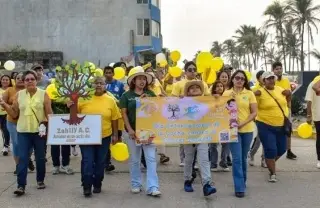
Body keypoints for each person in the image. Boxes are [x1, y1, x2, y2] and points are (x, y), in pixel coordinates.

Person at [0, 70, 52, 196]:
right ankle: (21, 185)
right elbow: (14, 113)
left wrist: (52, 130)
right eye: (27, 79)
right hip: (23, 131)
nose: (29, 81)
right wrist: (4, 104)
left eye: (32, 79)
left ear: (36, 80)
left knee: (40, 158)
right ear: (23, 82)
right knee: (22, 158)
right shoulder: (19, 95)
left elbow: (49, 114)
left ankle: (40, 180)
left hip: (39, 133)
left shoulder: (44, 94)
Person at [67, 76, 120, 197]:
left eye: (101, 83)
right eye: (96, 83)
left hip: (104, 136)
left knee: (100, 162)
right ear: (92, 85)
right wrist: (71, 106)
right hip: (87, 136)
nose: (98, 85)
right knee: (87, 161)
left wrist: (115, 134)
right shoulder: (84, 99)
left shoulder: (110, 100)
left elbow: (115, 118)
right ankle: (86, 185)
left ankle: (97, 183)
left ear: (105, 85)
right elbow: (74, 116)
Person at [120, 67, 161, 196]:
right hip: (132, 133)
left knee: (151, 159)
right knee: (135, 159)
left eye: (144, 79)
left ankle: (153, 187)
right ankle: (135, 184)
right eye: (139, 79)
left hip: (148, 132)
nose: (142, 81)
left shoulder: (151, 94)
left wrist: (146, 102)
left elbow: (157, 111)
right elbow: (124, 114)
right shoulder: (126, 96)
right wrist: (130, 129)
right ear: (134, 81)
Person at [223, 70, 257, 198]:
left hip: (247, 130)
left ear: (245, 81)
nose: (239, 80)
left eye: (242, 79)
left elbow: (254, 112)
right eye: (237, 78)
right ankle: (239, 187)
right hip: (232, 130)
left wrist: (242, 123)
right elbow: (218, 109)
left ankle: (242, 180)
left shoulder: (249, 94)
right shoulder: (226, 94)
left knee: (243, 158)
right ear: (232, 79)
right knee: (236, 159)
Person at [172, 61, 210, 167]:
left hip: (200, 118)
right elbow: (173, 99)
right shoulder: (178, 84)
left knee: (199, 140)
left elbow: (208, 98)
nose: (192, 71)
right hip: (184, 117)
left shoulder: (203, 84)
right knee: (184, 140)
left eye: (194, 69)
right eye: (190, 70)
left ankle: (197, 162)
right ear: (185, 71)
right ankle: (184, 160)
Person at [182, 80, 217, 196]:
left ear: (202, 90)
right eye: (192, 88)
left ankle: (207, 184)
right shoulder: (182, 102)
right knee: (188, 159)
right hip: (188, 135)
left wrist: (217, 99)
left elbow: (217, 108)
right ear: (187, 91)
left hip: (203, 134)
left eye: (197, 87)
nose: (195, 89)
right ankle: (187, 180)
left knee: (204, 159)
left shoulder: (207, 102)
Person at [255, 71, 289, 183]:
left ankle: (270, 162)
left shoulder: (279, 89)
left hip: (281, 125)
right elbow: (251, 103)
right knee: (271, 149)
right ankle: (272, 173)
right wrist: (255, 94)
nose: (271, 80)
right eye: (268, 79)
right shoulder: (260, 92)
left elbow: (287, 101)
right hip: (265, 125)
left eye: (272, 78)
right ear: (263, 81)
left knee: (282, 149)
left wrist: (289, 94)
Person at [2, 73, 35, 174]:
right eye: (18, 78)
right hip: (13, 121)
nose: (20, 80)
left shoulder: (30, 90)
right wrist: (11, 108)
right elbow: (3, 103)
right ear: (14, 80)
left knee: (30, 144)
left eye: (22, 78)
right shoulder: (9, 90)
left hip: (28, 121)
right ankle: (18, 165)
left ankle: (27, 158)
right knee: (16, 143)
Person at [272, 62, 296, 160]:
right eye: (276, 69)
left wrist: (289, 107)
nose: (279, 70)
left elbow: (289, 94)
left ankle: (289, 151)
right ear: (273, 70)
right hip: (274, 110)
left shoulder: (286, 81)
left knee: (288, 130)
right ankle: (268, 154)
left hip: (286, 109)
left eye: (280, 68)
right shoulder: (271, 80)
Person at [103, 66, 125, 172]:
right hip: (106, 116)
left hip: (117, 115)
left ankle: (116, 154)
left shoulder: (120, 85)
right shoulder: (102, 85)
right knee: (107, 137)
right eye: (106, 73)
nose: (108, 74)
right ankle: (107, 161)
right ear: (104, 74)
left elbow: (123, 99)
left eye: (110, 72)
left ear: (113, 74)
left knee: (117, 136)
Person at [209, 81, 229, 172]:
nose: (219, 87)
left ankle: (223, 162)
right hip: (213, 125)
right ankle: (213, 163)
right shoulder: (209, 98)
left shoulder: (227, 98)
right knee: (213, 145)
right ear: (214, 88)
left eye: (221, 86)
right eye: (217, 86)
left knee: (225, 144)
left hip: (224, 125)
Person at [248, 70, 267, 168]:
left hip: (268, 118)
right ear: (258, 78)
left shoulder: (270, 88)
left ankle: (264, 159)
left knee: (267, 140)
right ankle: (251, 154)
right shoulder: (254, 89)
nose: (265, 78)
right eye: (262, 76)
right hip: (258, 118)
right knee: (259, 140)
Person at [50, 99, 74, 175]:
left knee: (66, 145)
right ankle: (56, 166)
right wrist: (63, 101)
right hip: (54, 121)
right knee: (54, 146)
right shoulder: (51, 88)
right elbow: (48, 101)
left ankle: (65, 165)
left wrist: (69, 103)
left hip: (66, 121)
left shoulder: (67, 89)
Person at [305, 77, 320, 168]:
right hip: (318, 115)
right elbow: (309, 100)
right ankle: (319, 159)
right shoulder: (313, 84)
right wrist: (308, 115)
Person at [0, 75, 12, 156]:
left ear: (9, 81)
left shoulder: (11, 90)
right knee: (3, 130)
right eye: (3, 80)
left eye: (7, 80)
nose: (5, 81)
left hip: (7, 114)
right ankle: (7, 144)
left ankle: (6, 146)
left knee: (5, 130)